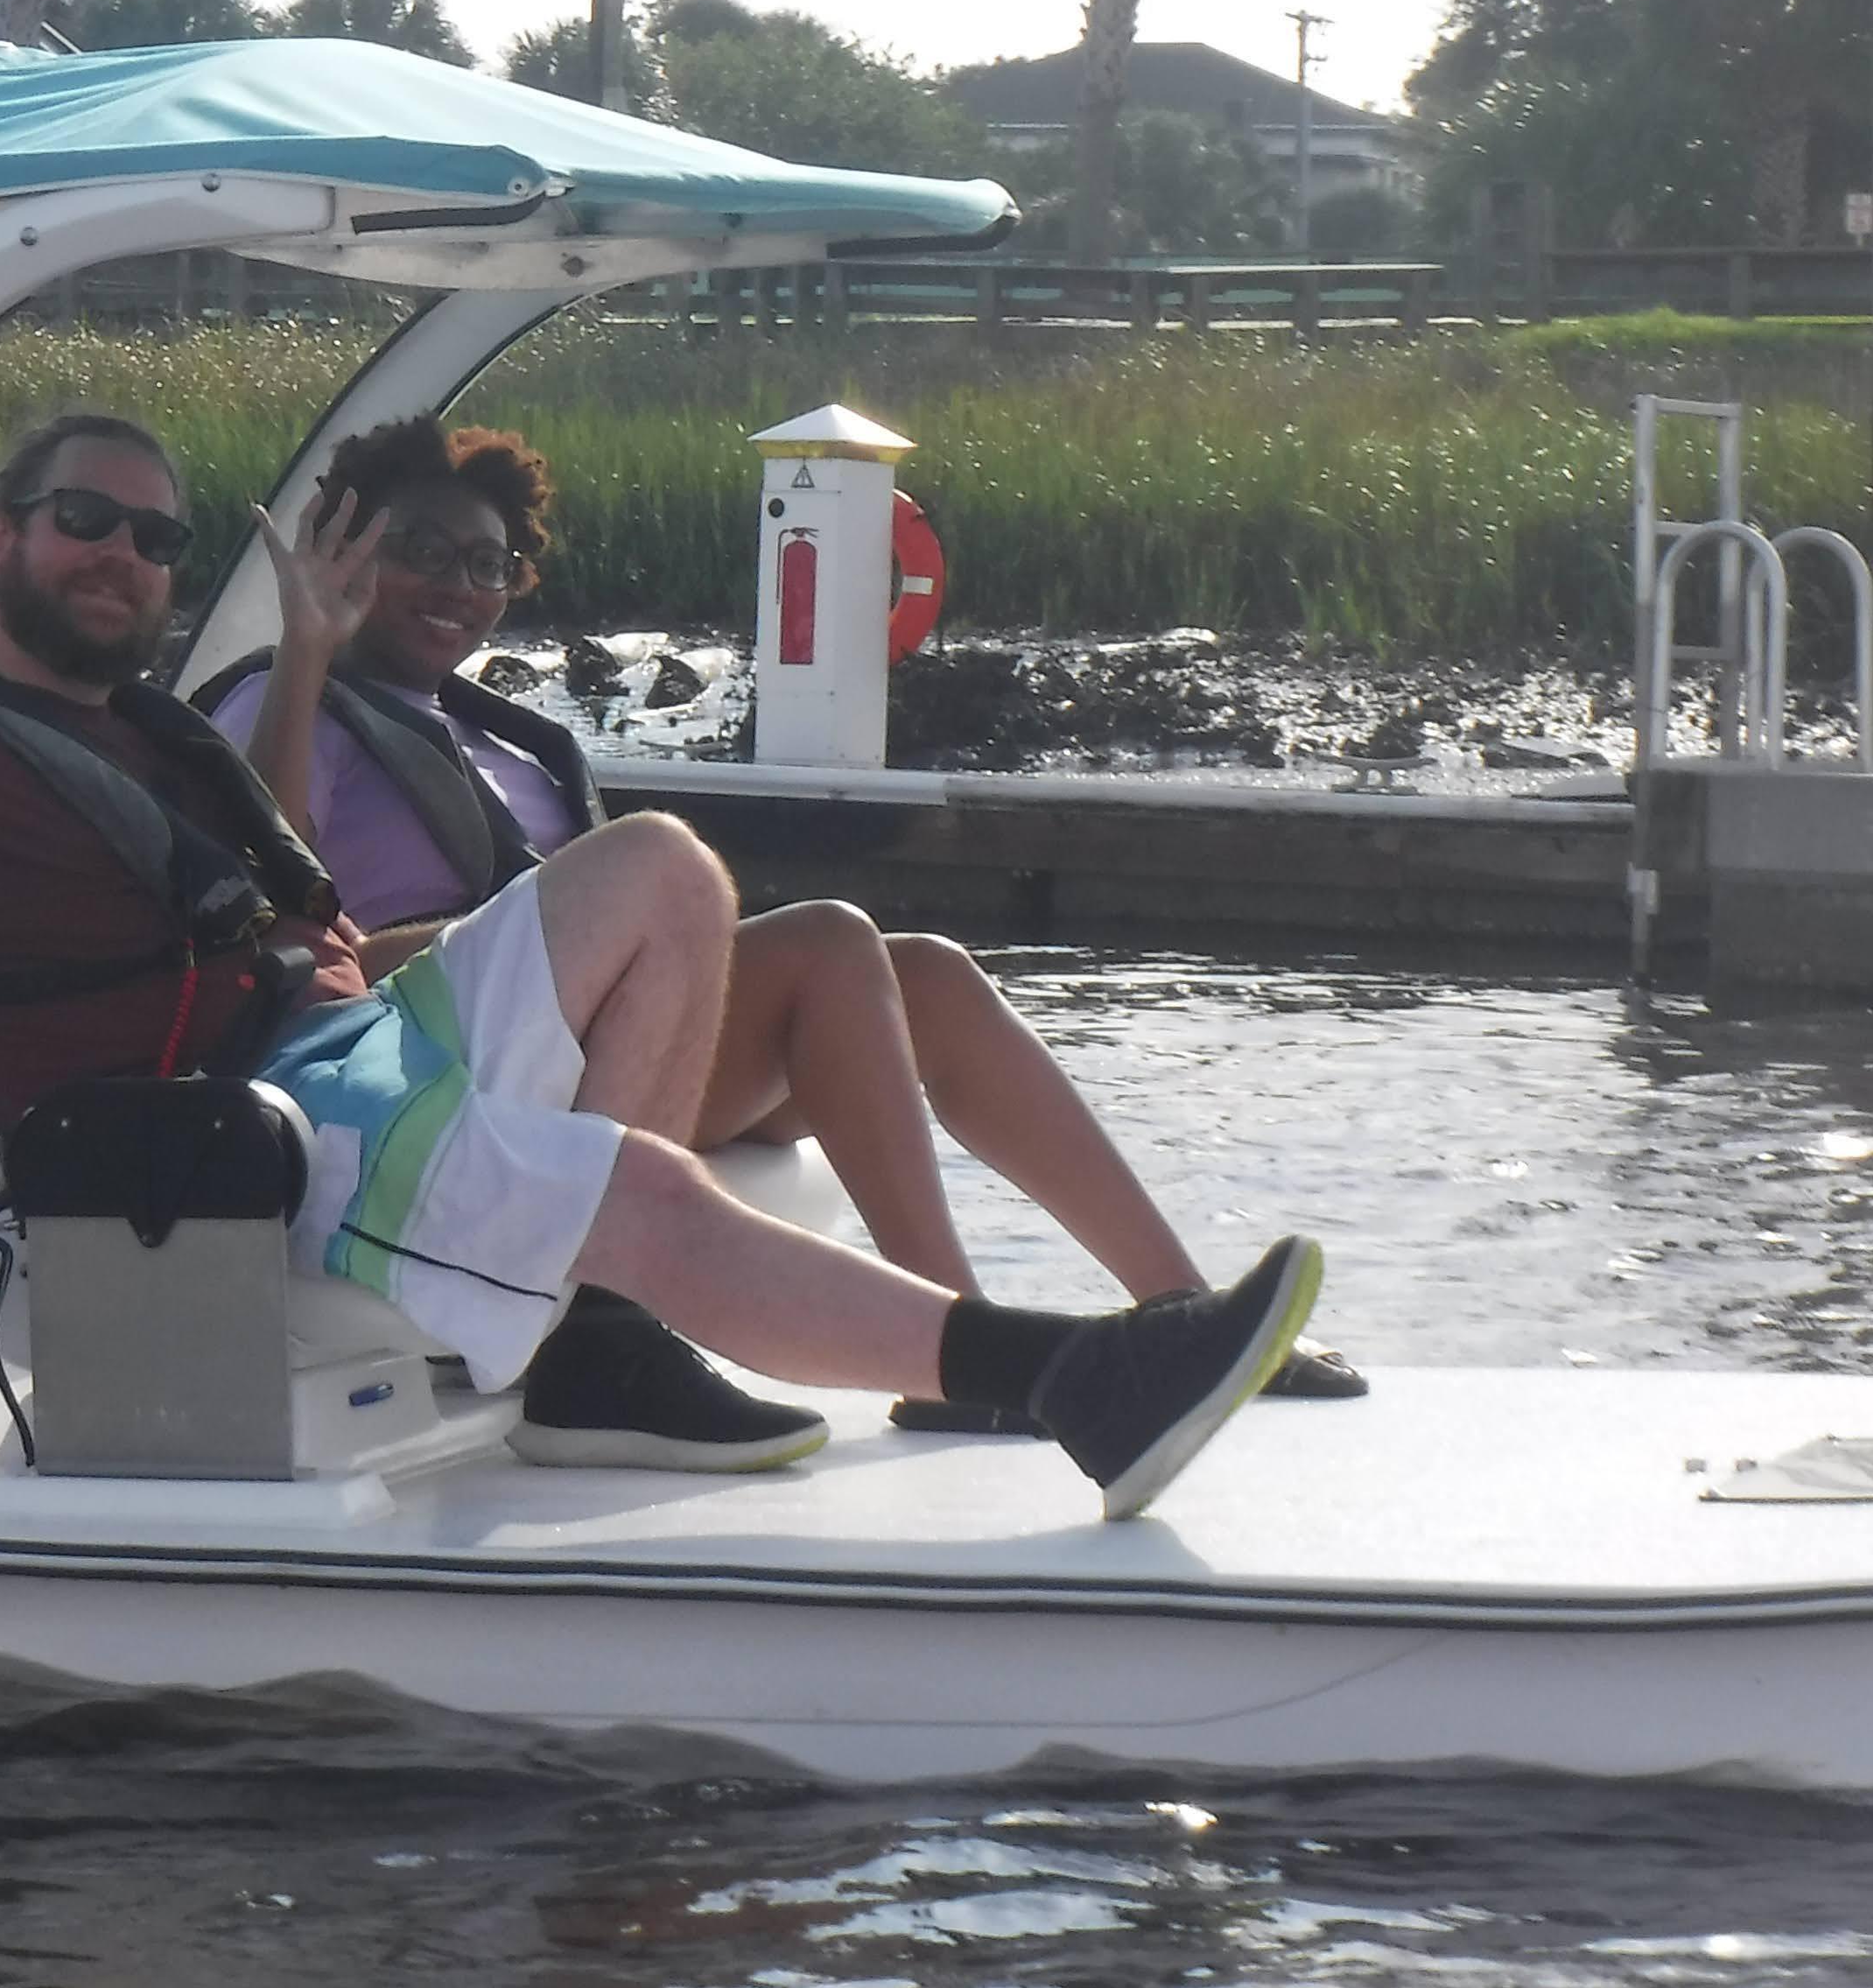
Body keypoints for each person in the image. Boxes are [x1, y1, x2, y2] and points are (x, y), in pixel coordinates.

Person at [0, 401, 1325, 1517]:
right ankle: (1071, 1379)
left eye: (151, 536)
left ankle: (593, 1330)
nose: (122, 555)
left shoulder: (135, 731)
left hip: (324, 1045)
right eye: (81, 523)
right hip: (210, 1137)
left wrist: (350, 939)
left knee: (663, 869)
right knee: (638, 1195)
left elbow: (290, 907)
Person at [203, 413, 1364, 1415]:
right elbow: (278, 897)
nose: (456, 584)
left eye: (486, 564)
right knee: (829, 946)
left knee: (930, 977)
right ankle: (964, 1352)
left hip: (585, 1050)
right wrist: (308, 649)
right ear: (342, 548)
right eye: (418, 551)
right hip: (430, 1066)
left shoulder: (503, 738)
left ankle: (1185, 1310)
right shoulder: (284, 697)